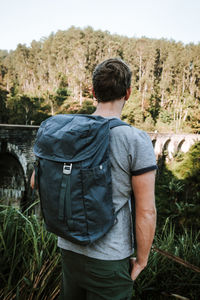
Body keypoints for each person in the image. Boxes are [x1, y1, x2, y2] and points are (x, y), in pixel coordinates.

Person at [31, 58, 157, 300]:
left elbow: (37, 182)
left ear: (93, 92)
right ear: (128, 93)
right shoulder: (134, 139)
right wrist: (142, 260)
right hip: (109, 259)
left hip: (68, 249)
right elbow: (146, 210)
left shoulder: (68, 132)